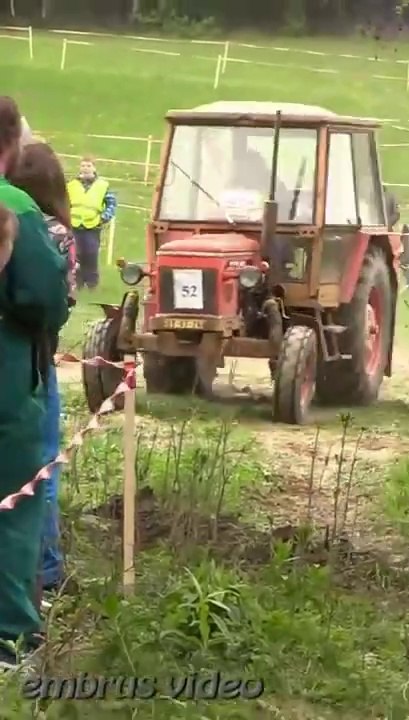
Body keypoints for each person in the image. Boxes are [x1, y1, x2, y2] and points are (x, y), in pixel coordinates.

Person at [0, 96, 72, 668]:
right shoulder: (16, 207)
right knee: (13, 508)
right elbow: (45, 300)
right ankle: (10, 639)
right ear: (10, 146)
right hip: (5, 381)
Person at [9, 142, 76, 600]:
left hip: (20, 357)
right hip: (34, 362)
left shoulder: (12, 218)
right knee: (41, 468)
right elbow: (58, 305)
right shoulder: (56, 233)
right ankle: (46, 569)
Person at [65, 156, 115, 291]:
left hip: (92, 225)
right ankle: (78, 283)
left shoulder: (103, 185)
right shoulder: (71, 185)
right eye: (83, 166)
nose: (85, 168)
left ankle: (92, 283)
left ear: (94, 168)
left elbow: (111, 203)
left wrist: (104, 217)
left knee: (91, 254)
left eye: (88, 166)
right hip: (74, 224)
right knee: (76, 255)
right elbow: (65, 202)